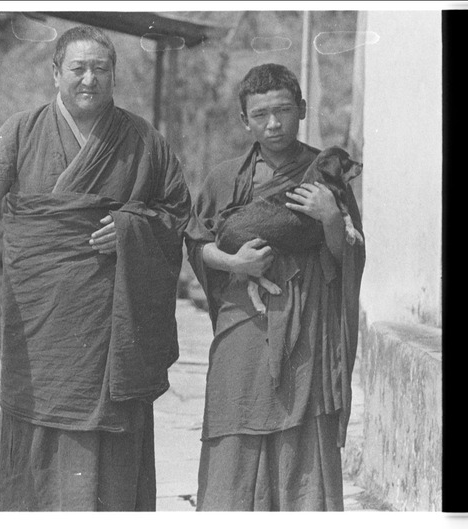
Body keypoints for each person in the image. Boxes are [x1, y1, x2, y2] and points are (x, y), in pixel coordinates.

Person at [0, 25, 190, 511]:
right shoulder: (21, 130)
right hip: (41, 317)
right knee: (39, 415)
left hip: (109, 320)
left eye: (100, 69)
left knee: (111, 423)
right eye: (78, 69)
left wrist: (130, 229)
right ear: (56, 72)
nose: (89, 79)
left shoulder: (143, 140)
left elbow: (175, 215)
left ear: (113, 75)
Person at [185, 63, 365, 511]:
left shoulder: (326, 176)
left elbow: (350, 260)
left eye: (283, 110)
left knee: (303, 429)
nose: (273, 123)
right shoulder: (225, 178)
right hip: (243, 321)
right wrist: (234, 262)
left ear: (301, 109)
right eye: (260, 114)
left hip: (308, 319)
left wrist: (329, 218)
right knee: (235, 417)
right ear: (244, 120)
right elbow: (195, 241)